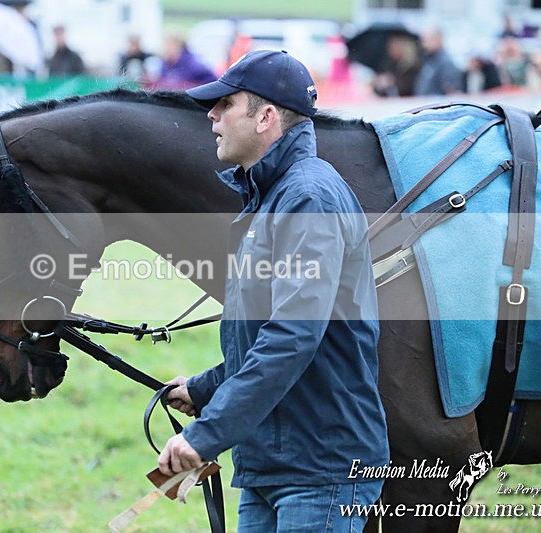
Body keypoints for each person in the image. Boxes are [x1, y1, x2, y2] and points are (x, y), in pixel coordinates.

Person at [158, 50, 389, 532]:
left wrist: (207, 433)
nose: (212, 115)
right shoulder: (272, 197)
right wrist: (205, 388)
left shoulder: (308, 198)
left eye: (226, 104)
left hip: (320, 469)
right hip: (273, 464)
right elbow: (268, 337)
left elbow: (293, 336)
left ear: (265, 118)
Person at [413, 27, 462, 95]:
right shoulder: (428, 60)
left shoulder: (446, 63)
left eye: (427, 40)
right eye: (423, 41)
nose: (424, 45)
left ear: (439, 39)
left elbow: (451, 92)